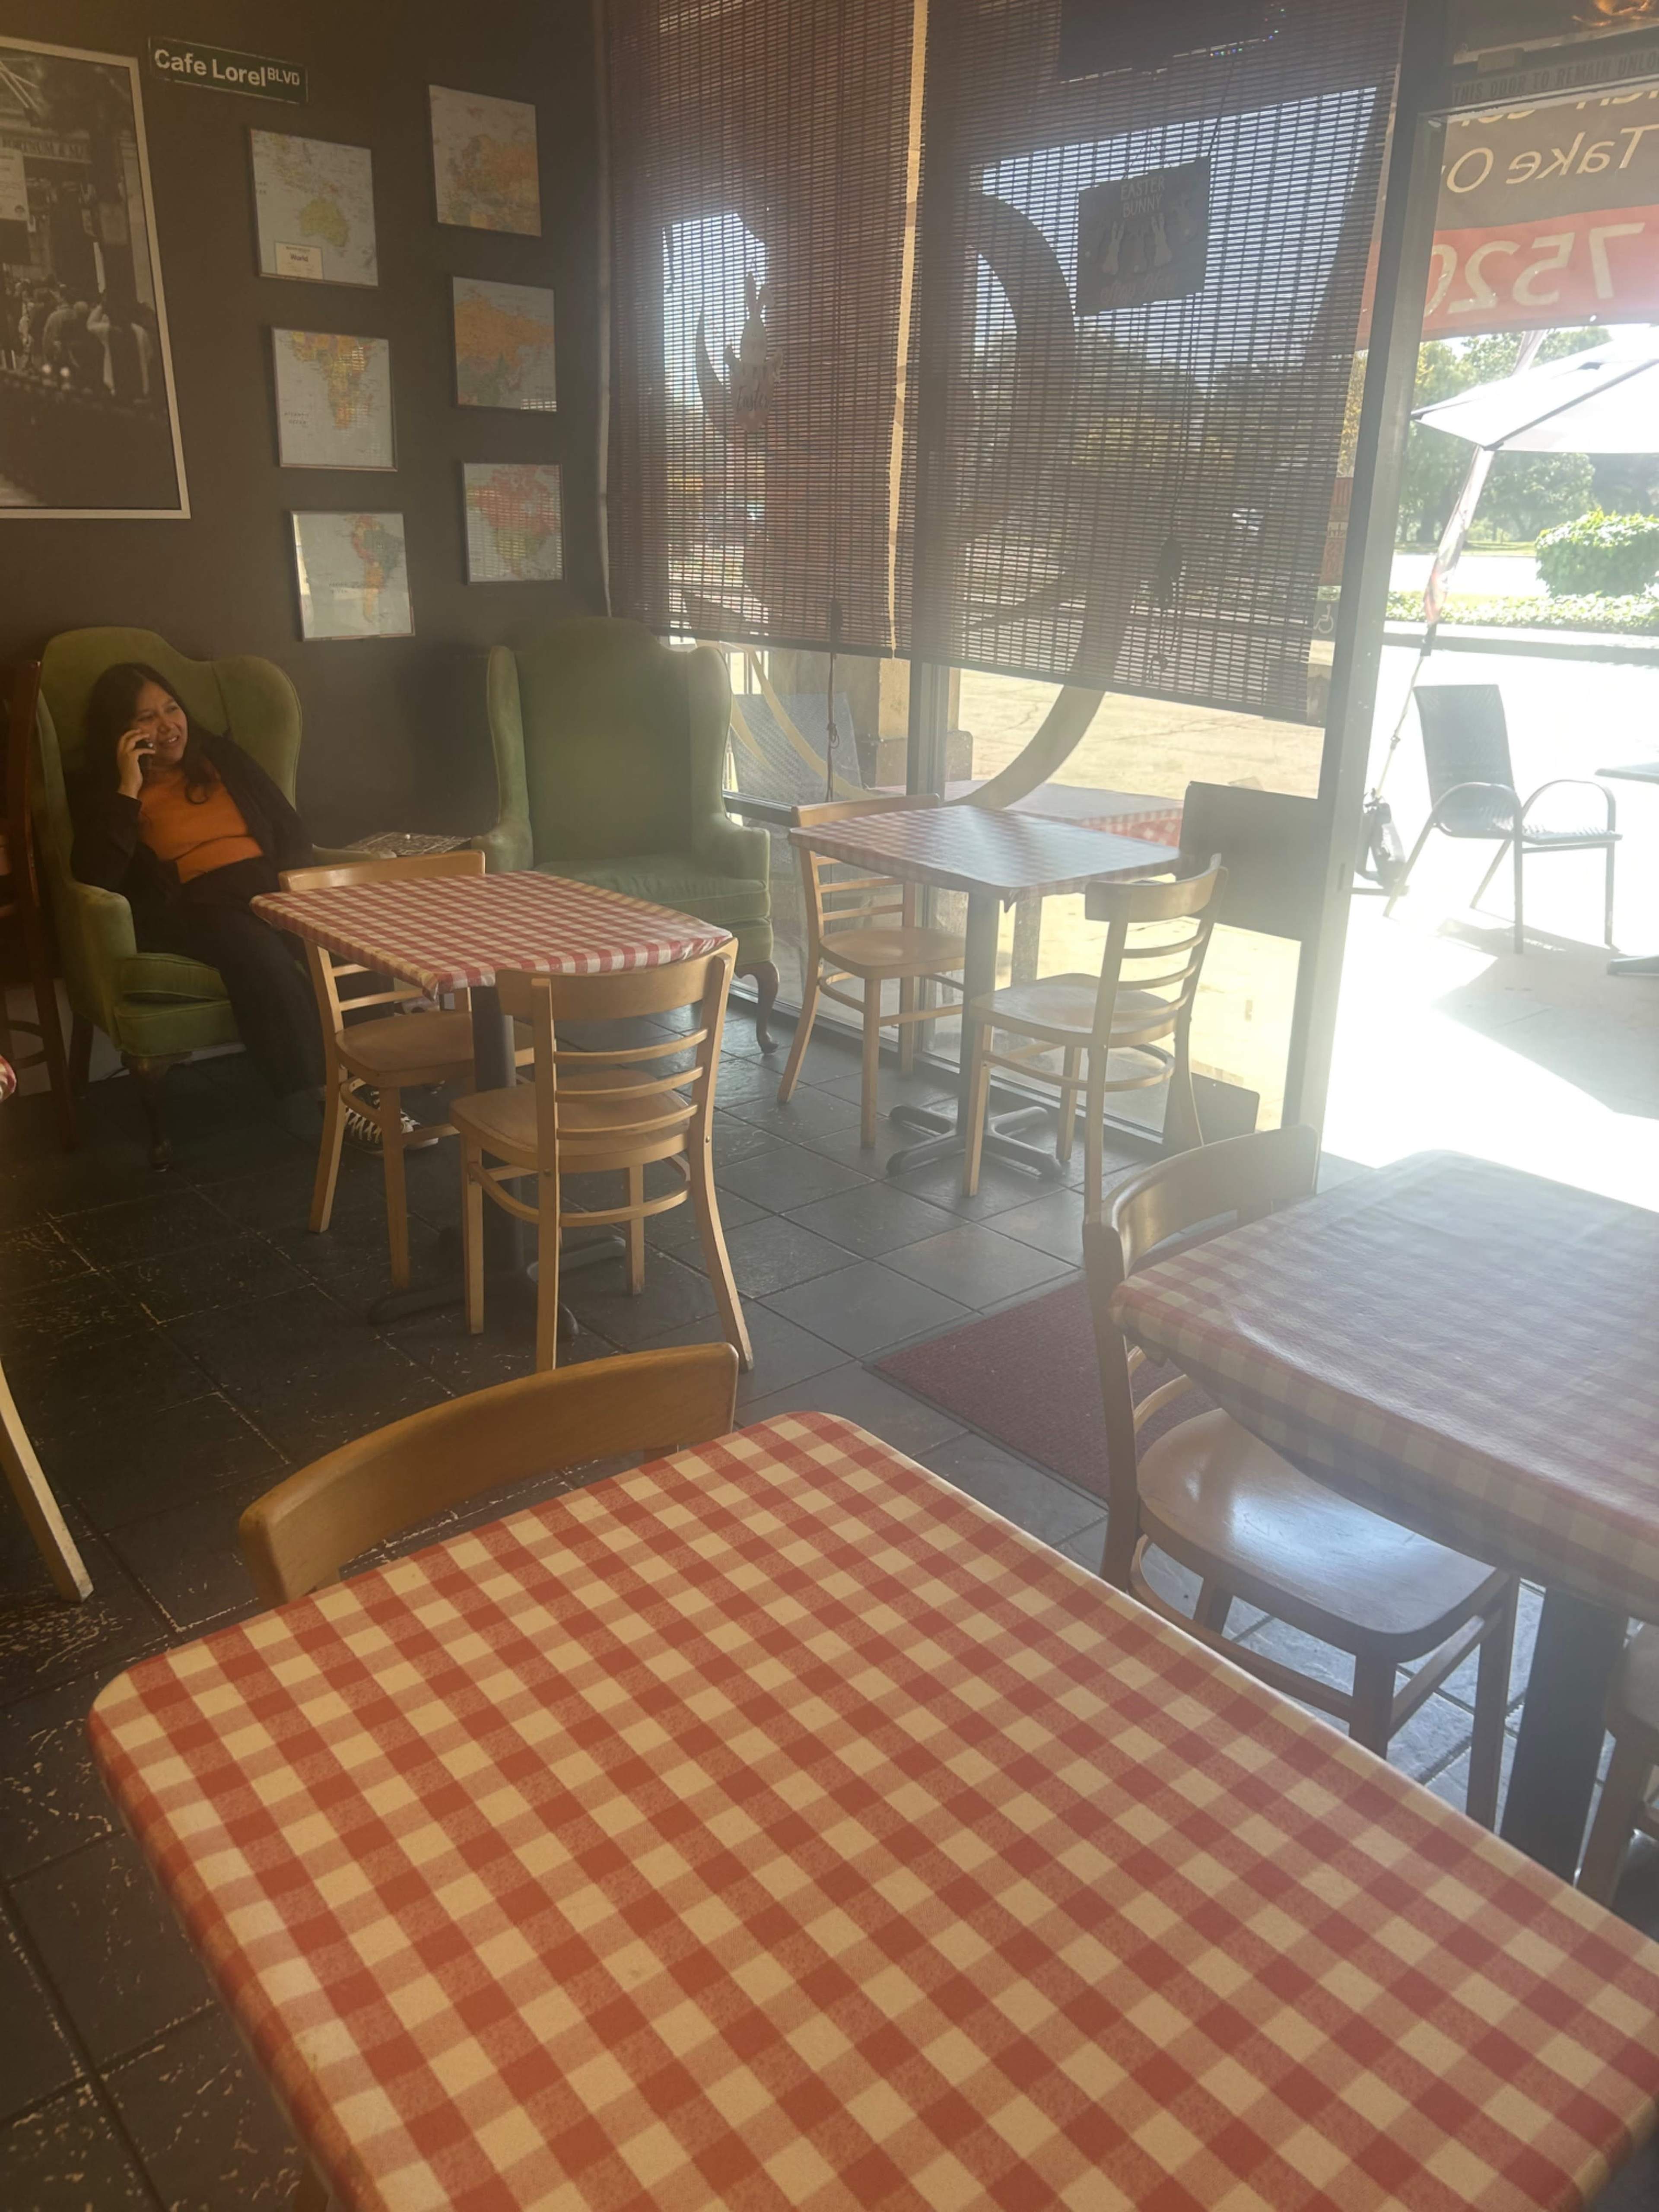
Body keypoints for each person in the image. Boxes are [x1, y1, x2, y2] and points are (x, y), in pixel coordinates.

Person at [70, 662, 327, 1136]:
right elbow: (97, 876)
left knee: (335, 945)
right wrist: (128, 787)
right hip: (197, 902)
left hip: (270, 883)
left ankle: (376, 1082)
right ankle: (317, 1104)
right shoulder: (102, 791)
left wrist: (298, 887)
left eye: (172, 708)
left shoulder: (221, 756)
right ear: (122, 731)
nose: (168, 725)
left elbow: (289, 825)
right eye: (146, 717)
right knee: (261, 958)